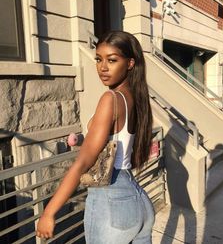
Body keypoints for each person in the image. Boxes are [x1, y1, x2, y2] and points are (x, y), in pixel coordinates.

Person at [36, 30, 155, 243]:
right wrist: (83, 139)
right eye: (98, 59)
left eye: (112, 60)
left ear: (130, 63)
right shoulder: (136, 97)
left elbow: (84, 161)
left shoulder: (111, 99)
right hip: (137, 199)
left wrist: (49, 212)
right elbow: (116, 139)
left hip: (111, 199)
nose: (103, 67)